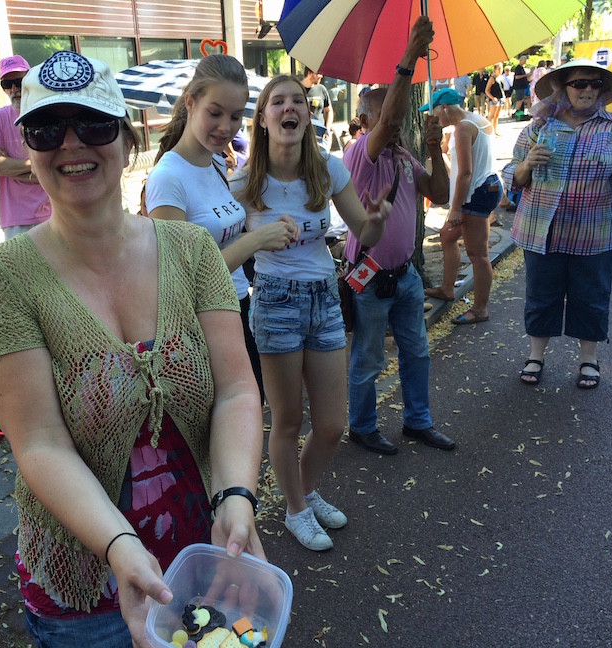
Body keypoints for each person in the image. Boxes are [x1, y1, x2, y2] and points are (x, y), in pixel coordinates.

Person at [0, 51, 266, 647]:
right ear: (27, 149)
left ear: (128, 141)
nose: (71, 144)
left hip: (204, 557)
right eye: (46, 129)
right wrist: (122, 546)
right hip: (87, 588)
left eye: (94, 124)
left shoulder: (192, 250)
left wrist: (236, 495)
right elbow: (40, 442)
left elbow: (236, 389)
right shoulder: (3, 278)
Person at [229, 73, 391, 552]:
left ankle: (302, 490)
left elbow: (366, 233)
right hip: (275, 300)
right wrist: (255, 239)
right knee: (287, 420)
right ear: (263, 119)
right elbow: (215, 246)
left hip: (324, 298)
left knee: (332, 424)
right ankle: (296, 508)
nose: (289, 108)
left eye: (297, 101)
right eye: (277, 102)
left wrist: (376, 222)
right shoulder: (243, 180)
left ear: (308, 113)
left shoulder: (327, 168)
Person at [146, 54, 300, 405]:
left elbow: (218, 239)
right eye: (215, 113)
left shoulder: (215, 162)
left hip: (238, 309)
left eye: (235, 116)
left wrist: (268, 229)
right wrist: (256, 240)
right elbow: (181, 278)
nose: (226, 127)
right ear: (190, 102)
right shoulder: (168, 178)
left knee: (251, 410)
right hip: (203, 327)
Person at [344, 17, 455, 457]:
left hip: (405, 276)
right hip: (370, 279)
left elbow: (440, 194)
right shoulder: (360, 153)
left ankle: (417, 422)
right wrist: (410, 52)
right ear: (364, 121)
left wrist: (434, 149)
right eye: (385, 119)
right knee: (368, 360)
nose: (395, 125)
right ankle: (362, 427)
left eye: (398, 119)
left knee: (417, 353)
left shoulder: (404, 155)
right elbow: (391, 116)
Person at [502, 58, 612, 389]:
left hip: (596, 230)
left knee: (591, 296)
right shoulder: (539, 127)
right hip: (543, 230)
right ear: (562, 88)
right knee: (541, 294)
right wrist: (526, 165)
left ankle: (588, 359)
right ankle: (536, 355)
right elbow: (511, 176)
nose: (588, 90)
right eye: (580, 83)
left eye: (595, 83)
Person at [421, 89, 502, 325]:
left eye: (434, 112)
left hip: (476, 193)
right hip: (484, 187)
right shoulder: (474, 120)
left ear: (445, 108)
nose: (433, 118)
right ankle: (447, 289)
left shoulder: (464, 128)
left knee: (478, 254)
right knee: (447, 236)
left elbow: (465, 173)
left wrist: (455, 209)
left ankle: (480, 309)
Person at [0, 55, 52, 239]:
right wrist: (35, 165)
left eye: (19, 82)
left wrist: (8, 168)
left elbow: (53, 169)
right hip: (15, 218)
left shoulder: (47, 115)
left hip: (53, 212)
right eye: (7, 84)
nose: (14, 89)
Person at [302, 67, 334, 132]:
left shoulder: (321, 89)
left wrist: (327, 129)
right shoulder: (297, 90)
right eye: (318, 73)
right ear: (309, 73)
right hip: (303, 134)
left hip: (319, 134)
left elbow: (329, 111)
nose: (321, 76)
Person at [485, 63, 506, 135]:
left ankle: (495, 131)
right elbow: (486, 90)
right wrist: (492, 98)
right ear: (495, 69)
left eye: (501, 68)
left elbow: (502, 89)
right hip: (494, 99)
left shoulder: (501, 77)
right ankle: (489, 131)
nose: (500, 70)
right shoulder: (492, 78)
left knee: (496, 116)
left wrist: (504, 97)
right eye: (499, 69)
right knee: (491, 116)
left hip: (500, 98)